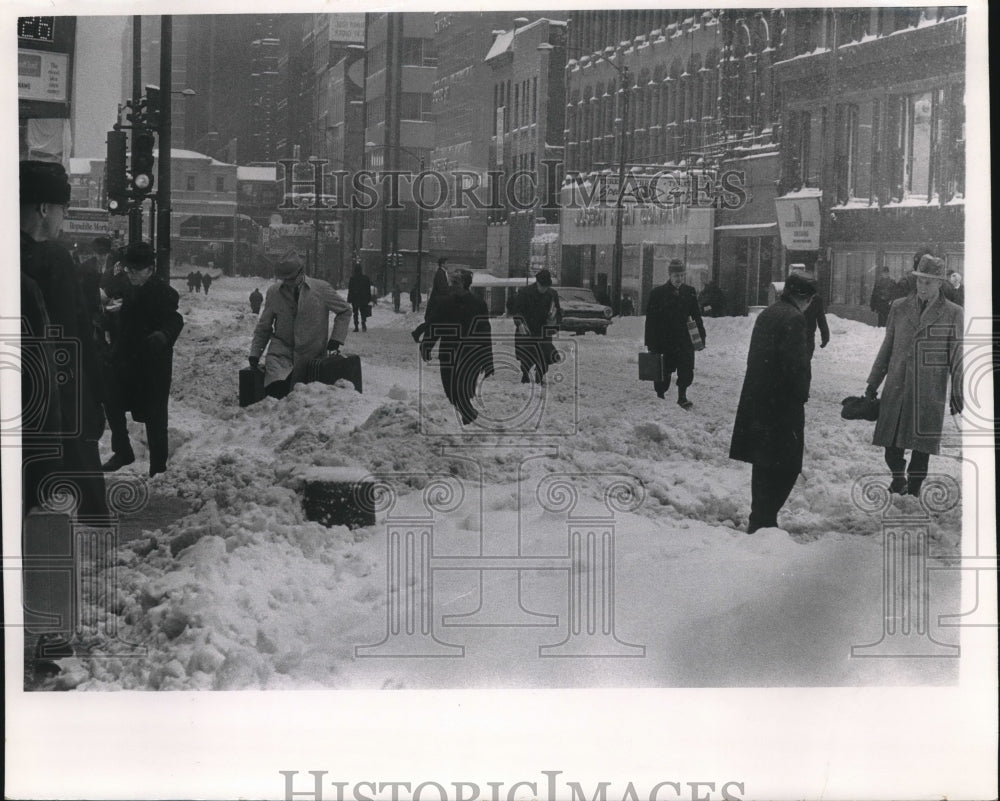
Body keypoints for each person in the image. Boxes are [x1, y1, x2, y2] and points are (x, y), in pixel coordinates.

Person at [19, 160, 107, 518]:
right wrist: (93, 397)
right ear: (43, 209)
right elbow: (74, 337)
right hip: (57, 401)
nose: (62, 219)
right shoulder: (54, 260)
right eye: (62, 210)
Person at [865, 254, 963, 497]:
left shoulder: (953, 313)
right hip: (896, 388)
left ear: (940, 283)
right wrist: (873, 383)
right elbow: (886, 348)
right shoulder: (899, 307)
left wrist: (958, 392)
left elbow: (957, 357)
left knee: (921, 450)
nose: (922, 286)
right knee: (891, 449)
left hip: (928, 392)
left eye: (928, 282)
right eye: (919, 281)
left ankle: (913, 493)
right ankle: (898, 478)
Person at [729, 273, 816, 533]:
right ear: (806, 299)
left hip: (758, 398)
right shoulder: (795, 319)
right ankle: (765, 518)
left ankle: (759, 516)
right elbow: (796, 365)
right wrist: (801, 394)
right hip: (783, 403)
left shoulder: (767, 314)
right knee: (788, 465)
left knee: (763, 461)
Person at [101, 242, 185, 478]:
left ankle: (158, 468)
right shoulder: (127, 287)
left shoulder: (164, 294)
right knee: (112, 400)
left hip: (151, 366)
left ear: (150, 269)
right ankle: (123, 451)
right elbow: (122, 314)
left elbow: (175, 320)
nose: (131, 275)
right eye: (129, 270)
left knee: (155, 417)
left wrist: (163, 336)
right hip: (125, 360)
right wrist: (110, 316)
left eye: (136, 271)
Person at [249, 254, 351, 400]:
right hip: (280, 352)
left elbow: (345, 310)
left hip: (311, 354)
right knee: (275, 393)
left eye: (291, 279)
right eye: (285, 279)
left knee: (304, 400)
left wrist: (337, 338)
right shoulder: (274, 292)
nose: (288, 283)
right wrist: (255, 353)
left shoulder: (321, 289)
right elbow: (264, 326)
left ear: (301, 272)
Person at [420, 269, 494, 426]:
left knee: (462, 389)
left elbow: (485, 333)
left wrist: (488, 361)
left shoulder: (478, 305)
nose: (452, 286)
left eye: (456, 283)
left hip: (470, 354)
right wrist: (427, 344)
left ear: (465, 284)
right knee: (450, 391)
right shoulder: (445, 303)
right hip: (448, 353)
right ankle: (468, 415)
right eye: (451, 282)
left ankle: (469, 417)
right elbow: (435, 326)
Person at [644, 258, 706, 409]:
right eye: (676, 276)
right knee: (663, 370)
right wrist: (650, 342)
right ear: (670, 276)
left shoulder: (689, 292)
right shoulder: (657, 293)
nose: (679, 279)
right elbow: (651, 320)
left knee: (686, 369)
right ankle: (660, 395)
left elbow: (696, 316)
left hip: (684, 339)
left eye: (682, 275)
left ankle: (682, 397)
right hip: (664, 340)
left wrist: (701, 337)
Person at [507, 268, 562, 386]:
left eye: (546, 286)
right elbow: (517, 310)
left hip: (543, 330)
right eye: (542, 286)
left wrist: (554, 321)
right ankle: (526, 375)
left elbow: (558, 313)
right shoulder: (525, 292)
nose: (544, 289)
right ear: (537, 282)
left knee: (543, 357)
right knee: (526, 356)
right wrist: (520, 323)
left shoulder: (552, 294)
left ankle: (539, 376)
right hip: (527, 329)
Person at [787, 264, 829, 359]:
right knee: (804, 363)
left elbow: (821, 318)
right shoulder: (815, 299)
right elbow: (821, 318)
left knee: (802, 364)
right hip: (805, 335)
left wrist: (825, 334)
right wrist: (825, 335)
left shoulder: (793, 298)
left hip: (802, 335)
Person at [411, 257, 450, 342]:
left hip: (437, 302)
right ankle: (418, 333)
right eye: (447, 263)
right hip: (437, 303)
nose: (448, 265)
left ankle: (417, 333)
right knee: (432, 322)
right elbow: (442, 289)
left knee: (432, 322)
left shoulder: (442, 273)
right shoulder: (440, 273)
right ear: (442, 264)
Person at [347, 262, 372, 332]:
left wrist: (349, 299)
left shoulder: (352, 279)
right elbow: (368, 289)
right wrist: (369, 298)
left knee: (355, 313)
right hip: (363, 298)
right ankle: (363, 322)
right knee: (363, 312)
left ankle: (356, 326)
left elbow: (350, 290)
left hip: (355, 298)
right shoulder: (365, 278)